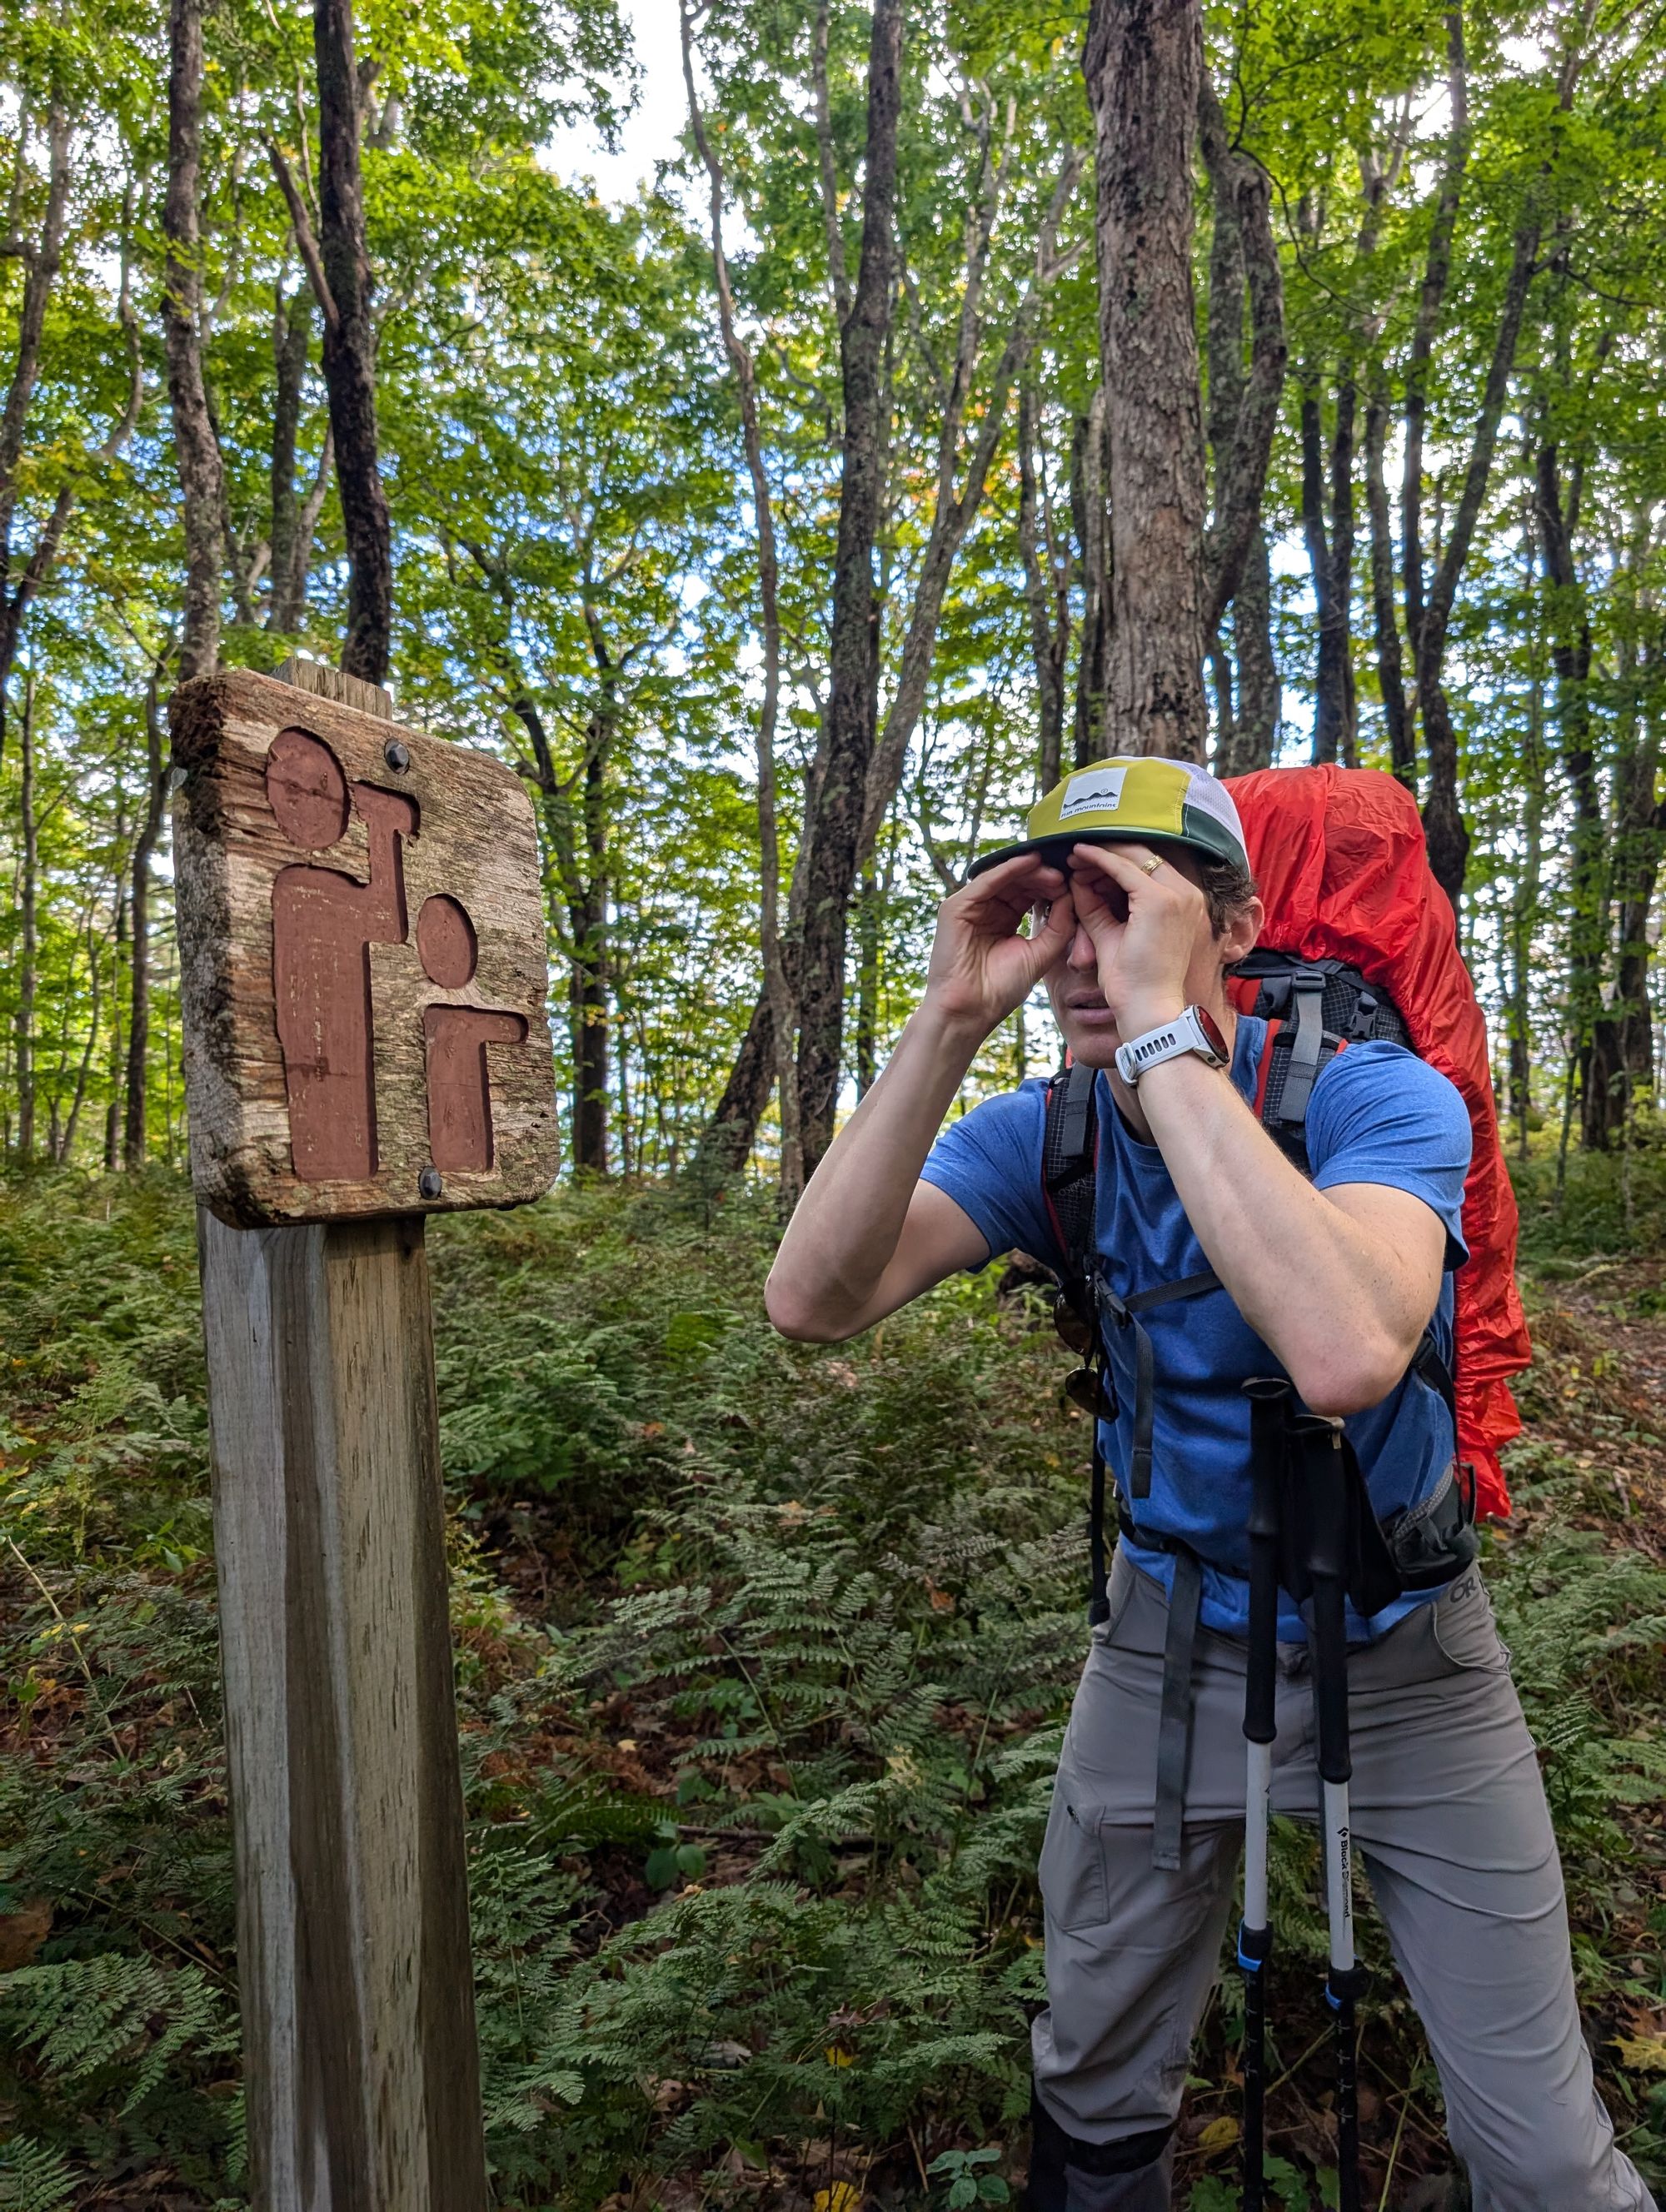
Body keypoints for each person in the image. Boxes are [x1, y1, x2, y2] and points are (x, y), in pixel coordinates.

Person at [766, 757, 1655, 2212]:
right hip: (1164, 1647)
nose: (1087, 947)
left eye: (1129, 902)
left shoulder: (1383, 1100)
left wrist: (1171, 1040)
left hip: (1411, 1652)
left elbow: (1349, 1349)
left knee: (1551, 2157)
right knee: (1094, 2074)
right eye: (1059, 907)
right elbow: (811, 1300)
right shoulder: (1049, 1129)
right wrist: (946, 1018)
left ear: (1232, 926)